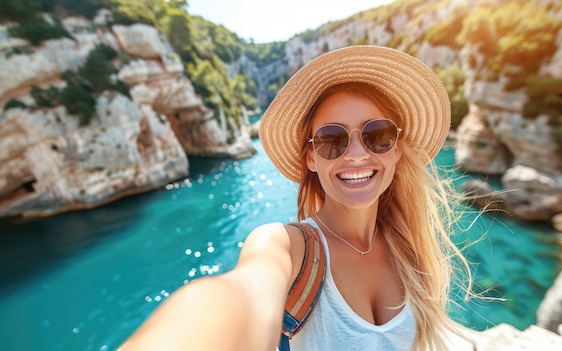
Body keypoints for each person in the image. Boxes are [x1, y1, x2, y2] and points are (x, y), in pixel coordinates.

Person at [120, 45, 475, 351]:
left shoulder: (411, 247)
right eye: (332, 139)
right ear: (311, 158)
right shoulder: (286, 246)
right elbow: (243, 295)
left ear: (396, 148)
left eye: (376, 134)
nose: (355, 155)